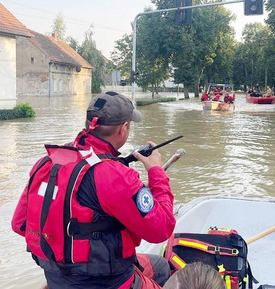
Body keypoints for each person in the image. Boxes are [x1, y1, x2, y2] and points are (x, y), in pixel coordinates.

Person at [11, 91, 176, 289]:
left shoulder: (46, 162)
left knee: (157, 265)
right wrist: (156, 171)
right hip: (107, 283)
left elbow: (19, 224)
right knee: (163, 268)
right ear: (123, 128)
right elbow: (162, 228)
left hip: (58, 278)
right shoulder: (115, 175)